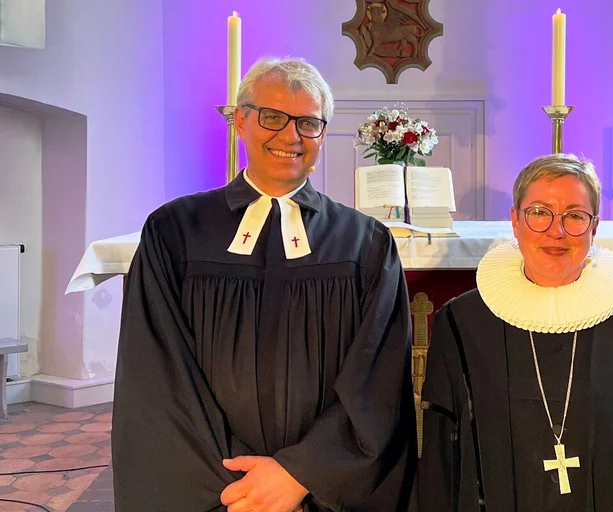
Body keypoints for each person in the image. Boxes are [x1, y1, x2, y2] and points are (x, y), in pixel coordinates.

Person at [111, 56, 418, 512]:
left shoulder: (365, 243)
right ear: (240, 121)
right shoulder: (175, 231)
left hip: (323, 490)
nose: (290, 136)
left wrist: (302, 473)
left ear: (323, 134)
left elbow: (378, 378)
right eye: (273, 117)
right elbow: (156, 374)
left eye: (308, 123)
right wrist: (244, 486)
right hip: (214, 490)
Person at [418, 154, 613, 511]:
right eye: (540, 212)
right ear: (515, 221)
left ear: (594, 227)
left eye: (574, 215)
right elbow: (441, 456)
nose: (556, 231)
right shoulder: (462, 323)